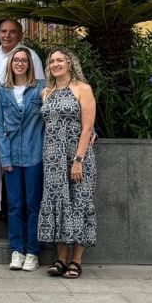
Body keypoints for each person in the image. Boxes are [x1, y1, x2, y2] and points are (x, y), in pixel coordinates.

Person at [39, 47, 97, 278]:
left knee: (79, 202)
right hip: (53, 157)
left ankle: (76, 261)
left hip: (77, 155)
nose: (55, 64)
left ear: (70, 63)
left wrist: (78, 160)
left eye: (60, 60)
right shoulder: (46, 92)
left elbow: (87, 127)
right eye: (51, 61)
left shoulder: (83, 89)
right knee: (58, 203)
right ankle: (60, 259)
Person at [0, 45, 45, 272]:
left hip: (35, 154)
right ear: (10, 64)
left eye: (24, 60)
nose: (20, 63)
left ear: (29, 64)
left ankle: (32, 252)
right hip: (11, 156)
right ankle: (17, 250)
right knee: (14, 205)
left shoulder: (41, 88)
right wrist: (4, 157)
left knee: (33, 205)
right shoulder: (1, 91)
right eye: (16, 60)